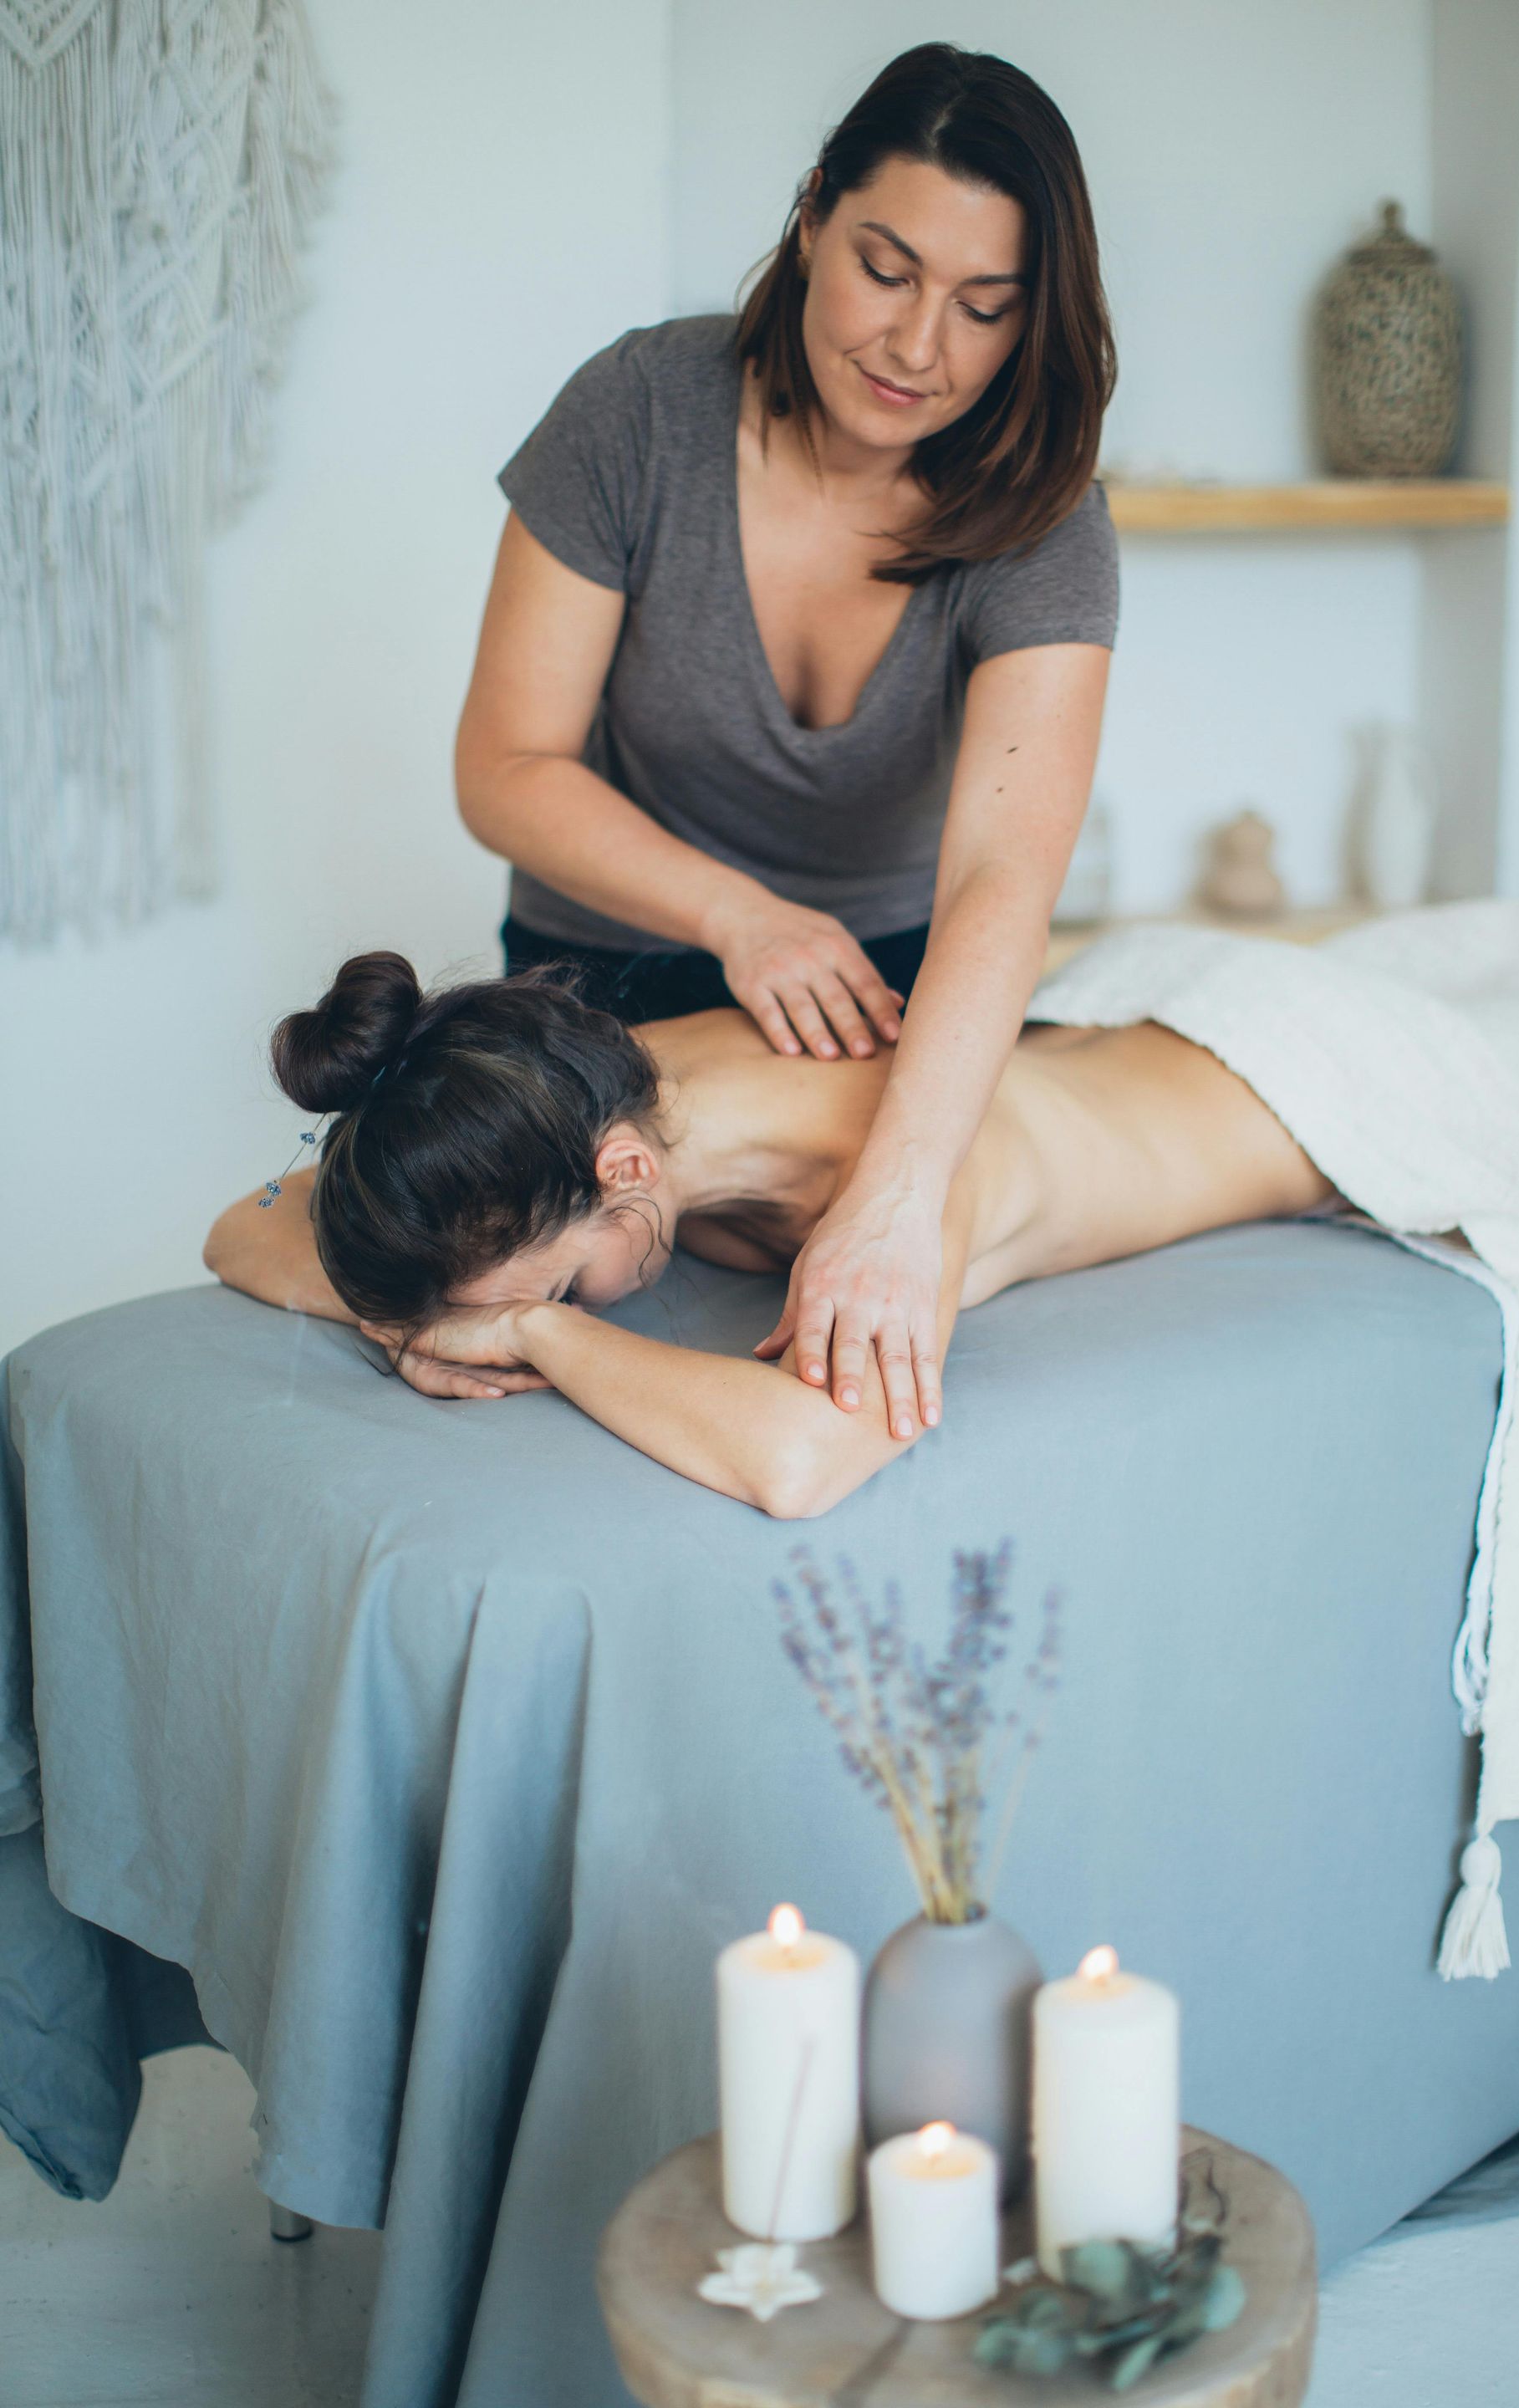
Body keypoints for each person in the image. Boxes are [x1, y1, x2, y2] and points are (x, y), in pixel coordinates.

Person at [456, 42, 1119, 1446]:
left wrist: (896, 1194)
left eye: (984, 307)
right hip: (608, 982)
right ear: (813, 213)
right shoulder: (637, 413)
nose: (919, 347)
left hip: (874, 1003)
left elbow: (1003, 878)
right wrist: (738, 916)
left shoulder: (1044, 515)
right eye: (887, 268)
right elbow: (503, 767)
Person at [203, 952, 1331, 1519]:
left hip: (1305, 1094)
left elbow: (804, 1463)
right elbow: (237, 1233)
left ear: (626, 1176)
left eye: (553, 1286)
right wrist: (417, 1318)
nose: (544, 1306)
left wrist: (534, 1337)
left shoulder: (901, 1174)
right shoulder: (601, 1090)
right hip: (1120, 996)